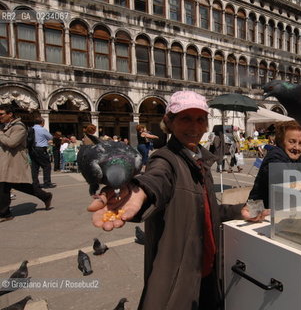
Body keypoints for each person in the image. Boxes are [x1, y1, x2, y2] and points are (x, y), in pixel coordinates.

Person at [87, 90, 268, 309]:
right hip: (180, 279)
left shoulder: (200, 160)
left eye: (200, 119)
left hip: (208, 272)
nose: (194, 127)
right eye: (185, 119)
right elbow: (156, 180)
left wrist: (239, 211)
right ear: (168, 122)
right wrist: (140, 190)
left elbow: (202, 211)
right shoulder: (165, 159)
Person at [0, 104, 53, 221]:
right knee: (17, 185)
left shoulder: (19, 127)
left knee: (4, 185)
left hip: (14, 161)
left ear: (10, 114)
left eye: (1, 114)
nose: (0, 117)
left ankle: (5, 213)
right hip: (5, 161)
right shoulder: (5, 126)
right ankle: (45, 196)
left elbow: (12, 142)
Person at [248, 120, 301, 209]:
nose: (296, 147)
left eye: (300, 143)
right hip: (259, 213)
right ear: (281, 142)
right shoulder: (274, 155)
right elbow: (284, 177)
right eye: (292, 142)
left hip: (287, 212)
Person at [30, 117, 56, 188]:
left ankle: (35, 183)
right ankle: (47, 183)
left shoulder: (31, 129)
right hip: (41, 149)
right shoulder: (42, 129)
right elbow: (50, 137)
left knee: (35, 167)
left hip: (32, 149)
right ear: (42, 122)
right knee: (47, 166)